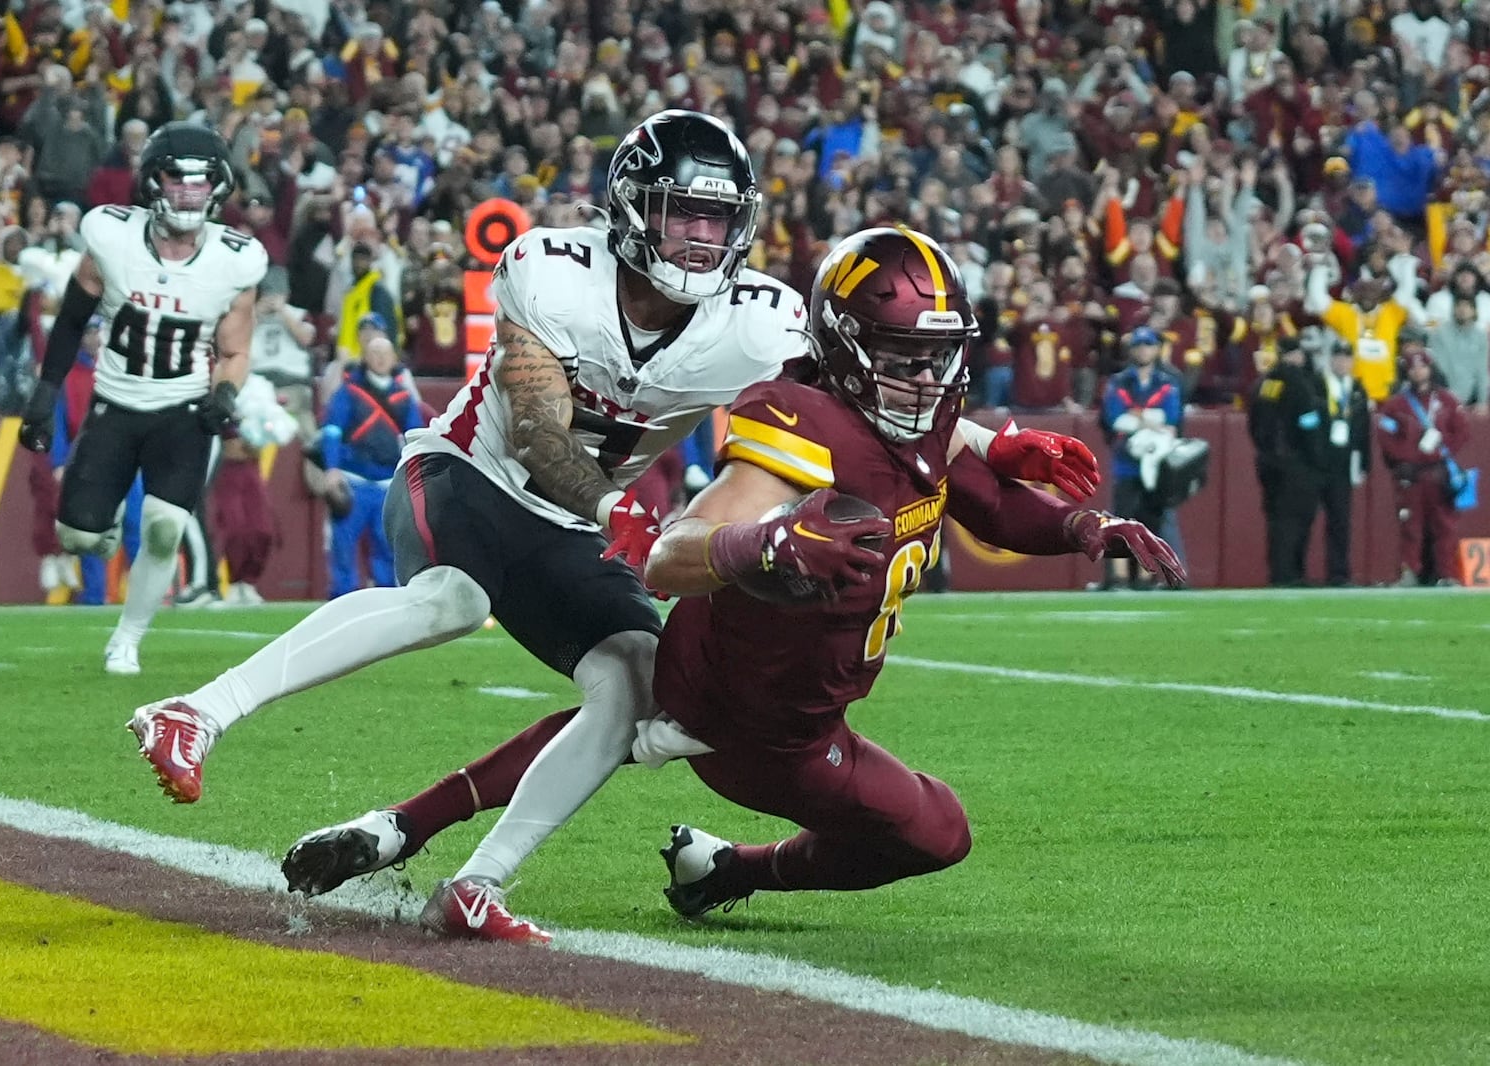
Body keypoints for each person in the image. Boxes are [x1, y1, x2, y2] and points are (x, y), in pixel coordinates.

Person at [127, 111, 1096, 942]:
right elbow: (542, 429)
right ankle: (197, 711)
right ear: (633, 207)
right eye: (683, 214)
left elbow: (864, 369)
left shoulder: (757, 320)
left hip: (580, 525)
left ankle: (475, 885)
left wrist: (992, 436)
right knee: (455, 597)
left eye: (719, 220)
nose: (699, 240)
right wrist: (610, 507)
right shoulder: (552, 270)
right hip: (473, 473)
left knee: (636, 680)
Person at [274, 228, 1172, 936]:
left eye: (935, 354)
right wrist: (769, 544)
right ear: (849, 346)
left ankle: (714, 870)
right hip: (746, 710)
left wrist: (1087, 528)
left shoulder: (919, 417)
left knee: (937, 833)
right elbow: (671, 553)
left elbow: (983, 499)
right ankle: (442, 853)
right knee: (634, 711)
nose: (924, 377)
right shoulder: (803, 421)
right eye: (901, 355)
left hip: (808, 713)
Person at [16, 122, 268, 673]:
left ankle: (127, 637)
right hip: (114, 401)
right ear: (153, 181)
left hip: (181, 409)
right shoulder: (112, 236)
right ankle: (93, 528)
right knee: (77, 535)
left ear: (218, 189)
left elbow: (236, 350)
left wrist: (224, 395)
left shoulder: (236, 260)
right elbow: (71, 320)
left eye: (201, 183)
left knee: (162, 528)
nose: (187, 193)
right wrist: (44, 397)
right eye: (177, 179)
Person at [320, 336, 426, 597]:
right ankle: (341, 601)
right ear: (365, 357)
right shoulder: (348, 392)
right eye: (374, 352)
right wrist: (331, 468)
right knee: (343, 548)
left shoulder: (403, 398)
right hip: (352, 481)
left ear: (394, 359)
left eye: (384, 353)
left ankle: (385, 602)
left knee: (387, 550)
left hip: (387, 485)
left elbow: (414, 437)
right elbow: (332, 431)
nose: (379, 358)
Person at [1377, 346, 1472, 586]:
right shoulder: (1395, 405)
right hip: (1411, 475)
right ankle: (1409, 572)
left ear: (1430, 368)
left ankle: (1446, 574)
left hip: (1438, 474)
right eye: (1413, 368)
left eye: (1422, 367)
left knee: (1445, 526)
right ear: (1406, 372)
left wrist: (1441, 451)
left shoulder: (1447, 400)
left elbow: (1461, 431)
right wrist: (1409, 457)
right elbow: (1386, 438)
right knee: (1411, 526)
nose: (1418, 372)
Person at [1099, 326, 1184, 590]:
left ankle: (1147, 577)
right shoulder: (1119, 382)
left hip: (1157, 463)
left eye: (1148, 345)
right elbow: (1115, 419)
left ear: (1157, 349)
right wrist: (1151, 419)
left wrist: (1135, 417)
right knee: (1120, 522)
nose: (1143, 350)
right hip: (1126, 463)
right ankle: (1119, 577)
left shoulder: (1167, 382)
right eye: (1139, 346)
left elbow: (1170, 420)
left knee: (1152, 522)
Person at [1247, 337, 1322, 585]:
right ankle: (1291, 573)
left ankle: (1279, 571)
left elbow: (1254, 423)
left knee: (1276, 519)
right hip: (1296, 463)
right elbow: (1308, 422)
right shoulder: (1298, 382)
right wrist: (1315, 457)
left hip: (1268, 462)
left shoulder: (1266, 382)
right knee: (1297, 519)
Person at [1311, 340, 1370, 586]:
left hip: (1344, 461)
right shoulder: (1317, 384)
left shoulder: (1356, 388)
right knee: (1305, 518)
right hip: (1318, 459)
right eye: (1338, 357)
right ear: (1330, 359)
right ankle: (1295, 571)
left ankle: (1339, 573)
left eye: (1347, 357)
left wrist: (1364, 462)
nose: (1342, 362)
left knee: (1341, 520)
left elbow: (1364, 428)